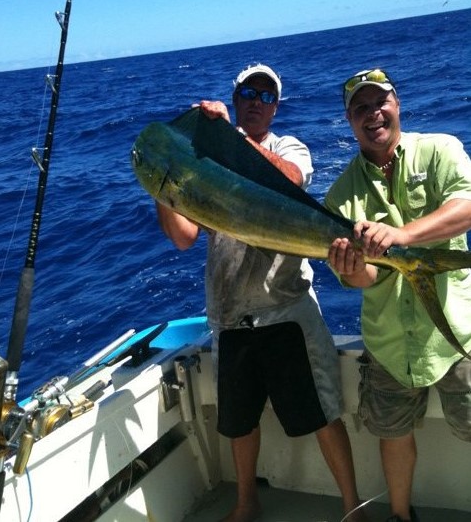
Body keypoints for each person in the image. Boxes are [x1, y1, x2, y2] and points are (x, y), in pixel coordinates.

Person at [155, 63, 365, 522]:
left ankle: (353, 509)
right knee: (237, 422)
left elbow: (290, 179)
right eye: (249, 92)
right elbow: (184, 236)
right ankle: (246, 503)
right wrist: (165, 179)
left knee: (323, 414)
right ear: (234, 98)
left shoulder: (287, 147)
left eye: (266, 96)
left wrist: (230, 140)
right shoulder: (201, 160)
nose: (256, 101)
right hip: (230, 315)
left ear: (275, 108)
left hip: (287, 311)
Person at [325, 68, 471, 522]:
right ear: (349, 121)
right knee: (393, 432)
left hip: (459, 335)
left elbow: (467, 206)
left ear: (397, 102)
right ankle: (401, 517)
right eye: (360, 109)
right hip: (390, 343)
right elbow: (363, 278)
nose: (373, 114)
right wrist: (352, 269)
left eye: (379, 102)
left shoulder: (441, 149)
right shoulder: (339, 197)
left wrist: (401, 235)